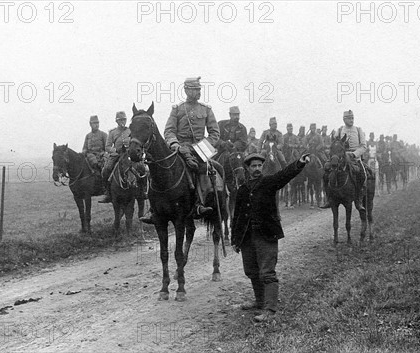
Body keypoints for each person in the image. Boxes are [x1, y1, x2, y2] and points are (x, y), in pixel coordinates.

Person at [231, 151, 311, 322]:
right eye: (254, 166)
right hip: (247, 237)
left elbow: (284, 175)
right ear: (247, 168)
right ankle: (259, 302)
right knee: (251, 271)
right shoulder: (243, 190)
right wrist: (235, 240)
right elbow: (236, 216)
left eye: (260, 165)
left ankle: (270, 310)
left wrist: (299, 163)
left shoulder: (269, 183)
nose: (257, 169)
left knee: (267, 272)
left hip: (266, 235)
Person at [140, 76, 220, 224]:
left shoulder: (206, 110)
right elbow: (169, 131)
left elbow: (215, 133)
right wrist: (175, 144)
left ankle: (199, 203)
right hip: (180, 147)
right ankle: (154, 209)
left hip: (199, 148)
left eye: (199, 89)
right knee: (157, 169)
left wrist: (202, 147)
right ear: (186, 90)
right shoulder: (177, 109)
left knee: (202, 167)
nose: (198, 92)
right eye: (194, 89)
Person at [320, 110, 368, 210]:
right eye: (349, 118)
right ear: (344, 119)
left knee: (362, 175)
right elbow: (335, 143)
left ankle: (358, 200)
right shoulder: (340, 130)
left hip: (355, 158)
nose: (351, 120)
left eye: (352, 118)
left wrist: (354, 154)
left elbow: (363, 146)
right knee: (326, 172)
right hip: (341, 158)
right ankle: (329, 198)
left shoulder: (358, 130)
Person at [99, 111, 131, 203]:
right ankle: (108, 193)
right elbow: (107, 147)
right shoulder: (112, 133)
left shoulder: (130, 130)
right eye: (120, 120)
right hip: (117, 155)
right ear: (116, 121)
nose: (122, 121)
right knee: (106, 170)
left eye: (124, 119)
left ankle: (143, 191)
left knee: (142, 168)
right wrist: (116, 151)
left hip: (129, 155)